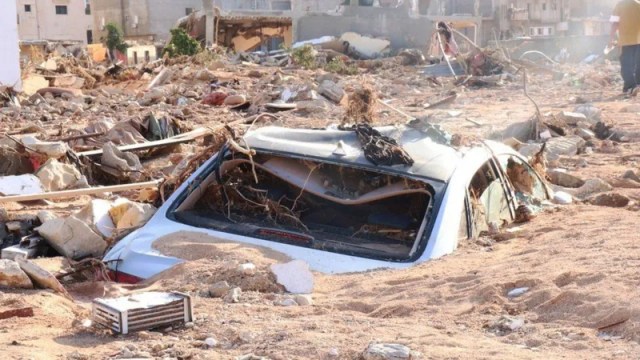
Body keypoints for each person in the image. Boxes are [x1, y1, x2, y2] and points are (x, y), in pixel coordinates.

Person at [610, 0, 640, 94]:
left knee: (626, 65)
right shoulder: (638, 4)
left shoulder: (619, 5)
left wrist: (611, 39)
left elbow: (614, 23)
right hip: (638, 40)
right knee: (637, 64)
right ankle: (636, 85)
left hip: (625, 41)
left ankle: (630, 86)